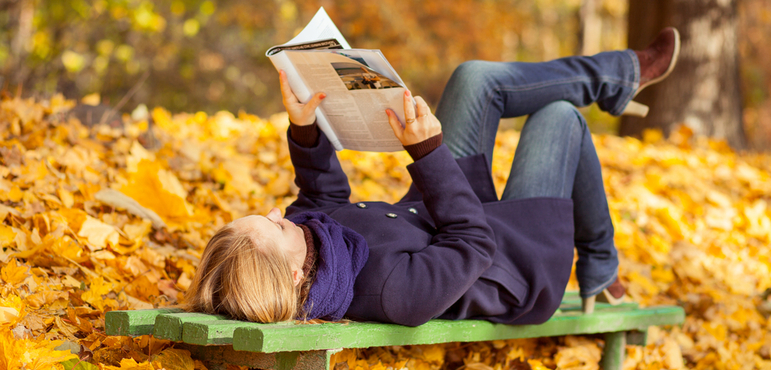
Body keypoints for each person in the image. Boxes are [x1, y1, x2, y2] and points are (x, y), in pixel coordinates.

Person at [185, 28, 680, 325]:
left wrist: (305, 126)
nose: (277, 213)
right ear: (292, 275)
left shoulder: (311, 249)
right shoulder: (389, 291)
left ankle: (618, 76)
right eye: (272, 225)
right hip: (513, 259)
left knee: (473, 79)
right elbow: (473, 243)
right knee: (558, 118)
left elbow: (321, 196)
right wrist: (426, 153)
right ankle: (600, 261)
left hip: (445, 206)